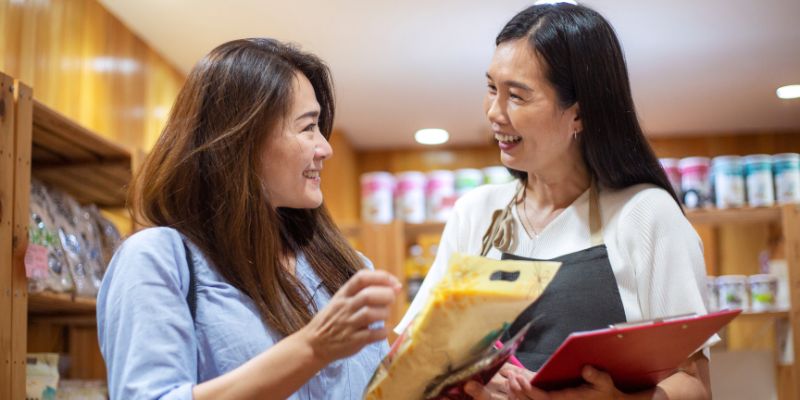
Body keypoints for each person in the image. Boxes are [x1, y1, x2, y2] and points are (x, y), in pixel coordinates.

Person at [396, 4, 714, 400]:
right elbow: (415, 359)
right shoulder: (475, 214)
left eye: (517, 96)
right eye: (492, 88)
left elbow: (695, 384)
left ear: (578, 113)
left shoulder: (646, 215)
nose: (494, 112)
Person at [97, 38, 401, 400]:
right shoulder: (157, 259)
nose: (325, 148)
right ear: (243, 139)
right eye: (308, 127)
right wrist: (312, 348)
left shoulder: (345, 268)